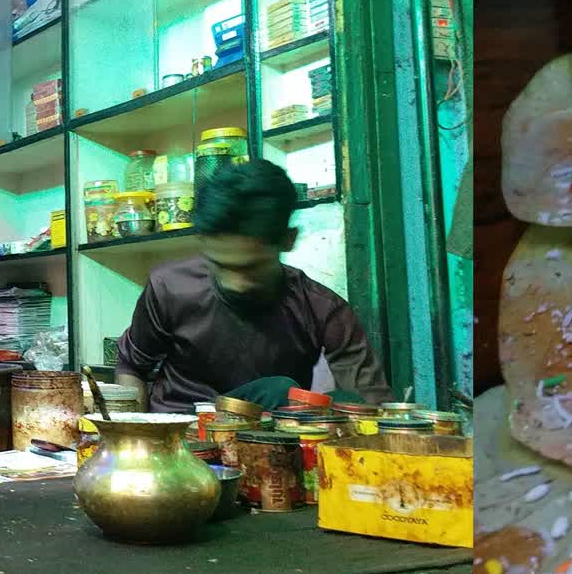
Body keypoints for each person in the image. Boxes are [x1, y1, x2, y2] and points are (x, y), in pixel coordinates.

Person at [115, 160, 395, 413]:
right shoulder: (170, 287)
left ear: (288, 240)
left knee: (280, 392)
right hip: (180, 441)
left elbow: (371, 405)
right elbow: (131, 367)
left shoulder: (322, 308)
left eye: (250, 268)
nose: (235, 284)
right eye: (220, 265)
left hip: (268, 441)